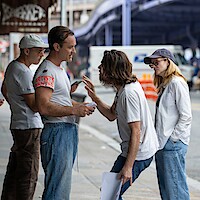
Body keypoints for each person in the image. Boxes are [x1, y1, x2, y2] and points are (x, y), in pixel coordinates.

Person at [83, 50, 159, 200]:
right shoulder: (123, 89)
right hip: (133, 151)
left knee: (110, 194)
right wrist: (94, 97)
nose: (99, 68)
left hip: (139, 153)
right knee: (110, 192)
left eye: (102, 65)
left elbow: (136, 132)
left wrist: (128, 167)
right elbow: (111, 115)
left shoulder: (128, 93)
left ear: (112, 69)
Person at [33, 26, 95, 200]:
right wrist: (74, 109)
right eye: (70, 47)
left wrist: (79, 105)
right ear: (56, 47)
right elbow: (43, 106)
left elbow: (60, 100)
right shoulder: (47, 71)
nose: (73, 51)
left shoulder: (59, 69)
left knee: (62, 185)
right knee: (57, 188)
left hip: (65, 131)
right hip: (56, 132)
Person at [0, 34, 48, 200]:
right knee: (28, 174)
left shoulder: (12, 67)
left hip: (19, 123)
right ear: (27, 51)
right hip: (29, 127)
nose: (42, 54)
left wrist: (15, 104)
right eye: (39, 51)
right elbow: (35, 105)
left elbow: (4, 89)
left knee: (15, 171)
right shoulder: (23, 71)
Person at [144, 48, 192, 200]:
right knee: (167, 190)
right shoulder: (166, 85)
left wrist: (173, 139)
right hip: (163, 143)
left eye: (157, 62)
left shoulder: (177, 83)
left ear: (168, 61)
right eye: (152, 63)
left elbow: (186, 116)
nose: (154, 66)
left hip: (172, 144)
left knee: (176, 190)